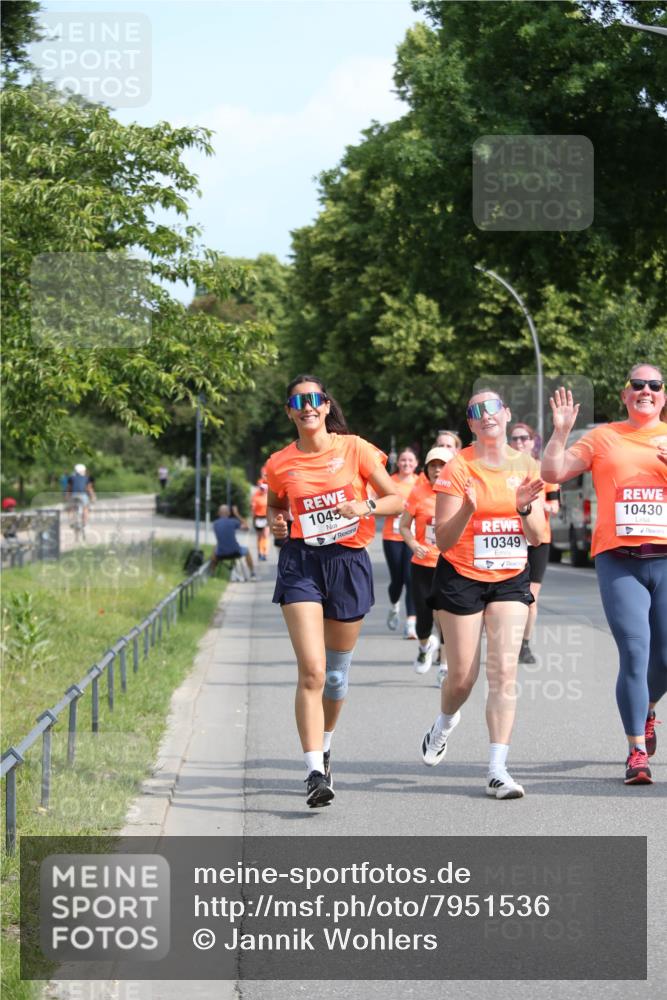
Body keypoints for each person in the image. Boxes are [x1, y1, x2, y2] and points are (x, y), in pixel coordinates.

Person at [266, 374, 404, 808]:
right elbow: (275, 503)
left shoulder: (355, 448)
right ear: (289, 411)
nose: (307, 406)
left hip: (348, 562)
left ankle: (325, 747)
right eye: (298, 401)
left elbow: (395, 499)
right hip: (301, 562)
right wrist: (276, 521)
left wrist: (363, 506)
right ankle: (312, 771)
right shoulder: (279, 462)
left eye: (314, 399)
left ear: (326, 406)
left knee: (337, 675)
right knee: (312, 671)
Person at [541, 365, 667, 785]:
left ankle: (645, 707)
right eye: (638, 385)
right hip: (620, 559)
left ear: (663, 396)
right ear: (624, 394)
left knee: (664, 658)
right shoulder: (602, 436)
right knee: (635, 651)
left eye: (654, 385)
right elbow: (552, 474)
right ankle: (635, 752)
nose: (645, 390)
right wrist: (560, 433)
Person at [422, 389, 545, 799]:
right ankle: (443, 723)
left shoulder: (527, 465)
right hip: (461, 574)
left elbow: (539, 536)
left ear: (506, 415)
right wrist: (468, 511)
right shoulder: (457, 467)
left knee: (504, 672)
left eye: (493, 407)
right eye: (477, 411)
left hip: (510, 576)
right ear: (471, 425)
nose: (486, 415)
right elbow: (443, 539)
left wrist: (525, 509)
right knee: (462, 678)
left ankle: (497, 770)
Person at [399, 446, 455, 679]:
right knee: (423, 618)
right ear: (427, 469)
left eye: (442, 465)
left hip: (451, 564)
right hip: (422, 564)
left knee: (447, 616)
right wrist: (413, 544)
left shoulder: (458, 492)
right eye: (433, 465)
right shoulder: (418, 492)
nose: (437, 470)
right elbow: (403, 525)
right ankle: (424, 648)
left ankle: (445, 667)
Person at [509, 422, 561, 663]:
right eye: (515, 439)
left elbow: (555, 506)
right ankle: (505, 639)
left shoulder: (546, 472)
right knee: (507, 597)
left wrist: (535, 505)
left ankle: (525, 645)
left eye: (523, 439)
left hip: (539, 540)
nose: (519, 443)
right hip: (511, 539)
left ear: (532, 442)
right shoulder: (504, 471)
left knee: (530, 599)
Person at [382, 447, 420, 637]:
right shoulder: (390, 482)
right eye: (403, 460)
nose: (406, 464)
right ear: (398, 463)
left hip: (412, 537)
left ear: (416, 463)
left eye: (410, 461)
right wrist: (393, 508)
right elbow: (378, 503)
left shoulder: (420, 482)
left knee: (410, 578)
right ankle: (394, 604)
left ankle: (411, 623)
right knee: (397, 580)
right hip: (392, 536)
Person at [209, 504, 257, 579]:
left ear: (218, 513)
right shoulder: (233, 522)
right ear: (228, 513)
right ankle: (252, 573)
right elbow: (247, 527)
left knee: (214, 549)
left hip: (221, 554)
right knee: (246, 550)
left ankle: (211, 573)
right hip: (235, 552)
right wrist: (236, 514)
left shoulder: (215, 524)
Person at [65, 463, 96, 527]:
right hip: (83, 495)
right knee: (85, 508)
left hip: (74, 495)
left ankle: (71, 521)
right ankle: (85, 523)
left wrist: (67, 497)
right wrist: (93, 496)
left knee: (71, 508)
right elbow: (89, 488)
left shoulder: (71, 478)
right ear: (83, 470)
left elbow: (69, 488)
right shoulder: (87, 478)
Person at [251, 479, 270, 561]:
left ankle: (265, 553)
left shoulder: (269, 495)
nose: (263, 490)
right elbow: (253, 507)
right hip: (258, 517)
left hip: (266, 517)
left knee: (266, 535)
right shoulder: (256, 495)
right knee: (259, 537)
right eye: (261, 488)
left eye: (264, 489)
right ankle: (260, 552)